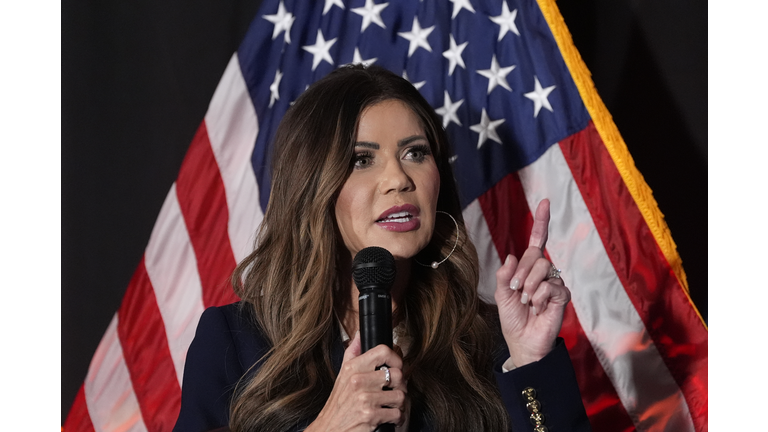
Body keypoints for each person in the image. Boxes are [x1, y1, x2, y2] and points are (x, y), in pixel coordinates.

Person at [173, 64, 592, 432]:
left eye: (415, 153)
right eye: (361, 159)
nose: (398, 179)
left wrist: (530, 364)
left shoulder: (491, 346)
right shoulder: (235, 342)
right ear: (313, 187)